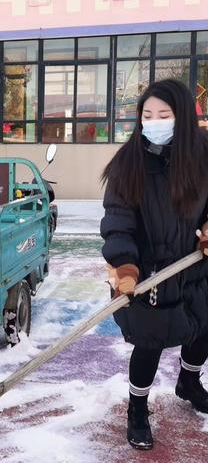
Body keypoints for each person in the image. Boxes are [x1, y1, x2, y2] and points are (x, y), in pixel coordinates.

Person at [100, 79, 208, 451]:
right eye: (147, 115)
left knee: (203, 329)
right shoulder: (128, 165)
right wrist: (125, 267)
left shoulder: (203, 155)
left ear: (183, 118)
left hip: (197, 269)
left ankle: (189, 383)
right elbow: (118, 222)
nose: (155, 121)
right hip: (149, 276)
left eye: (164, 114)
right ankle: (137, 409)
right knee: (150, 343)